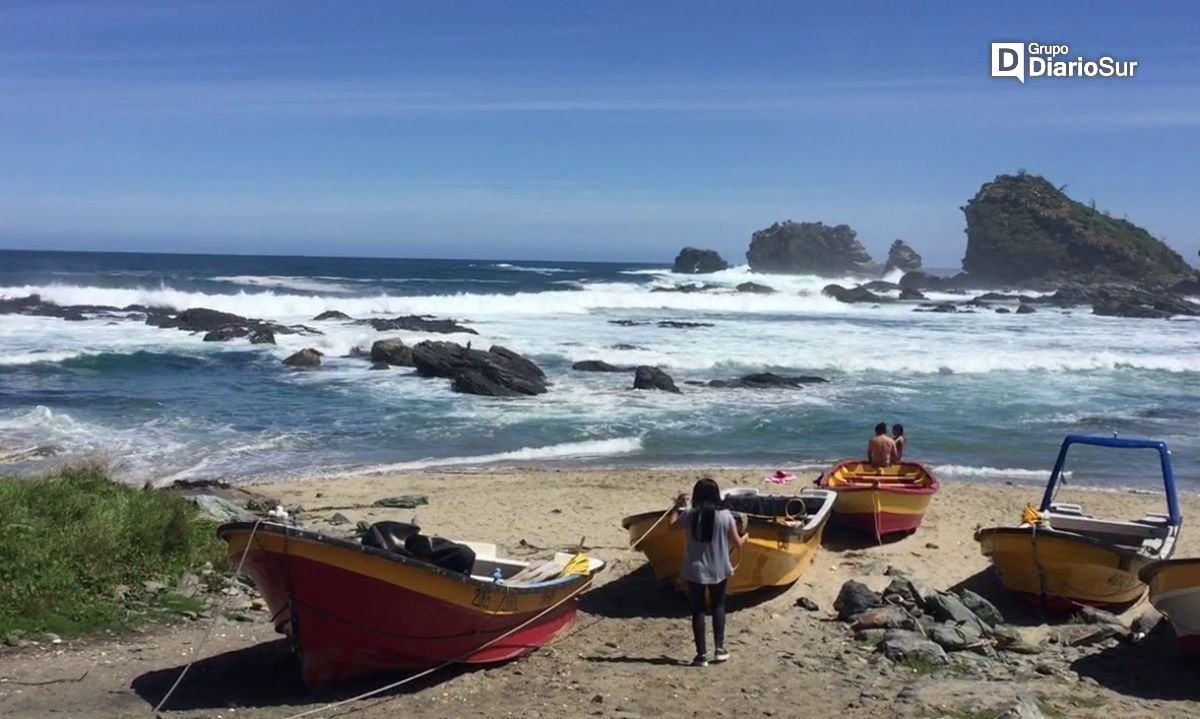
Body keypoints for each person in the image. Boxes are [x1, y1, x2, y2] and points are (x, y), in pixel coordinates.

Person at [669, 477, 748, 667]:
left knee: (698, 610)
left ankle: (701, 655)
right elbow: (737, 543)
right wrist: (747, 537)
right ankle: (719, 649)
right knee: (718, 607)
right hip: (719, 568)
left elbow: (671, 527)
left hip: (695, 570)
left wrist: (675, 507)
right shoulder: (726, 516)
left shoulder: (689, 515)